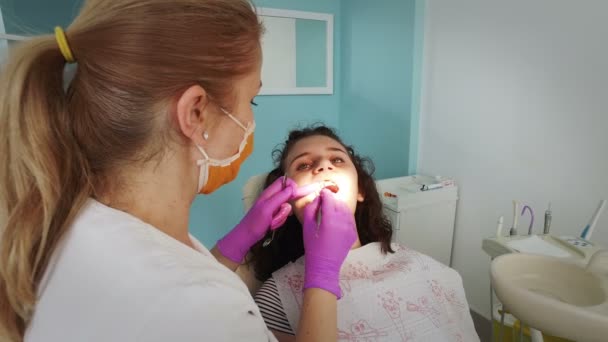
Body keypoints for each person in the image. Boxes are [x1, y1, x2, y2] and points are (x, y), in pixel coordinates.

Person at [0, 1, 356, 341]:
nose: (250, 120)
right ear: (195, 112)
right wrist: (323, 276)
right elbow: (191, 298)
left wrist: (239, 239)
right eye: (251, 100)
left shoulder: (65, 223)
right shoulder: (207, 312)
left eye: (337, 159)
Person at [250, 125, 479, 341]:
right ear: (287, 200)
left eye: (337, 159)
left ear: (360, 190)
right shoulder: (276, 299)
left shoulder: (427, 268)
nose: (323, 166)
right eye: (304, 165)